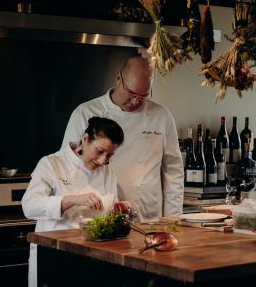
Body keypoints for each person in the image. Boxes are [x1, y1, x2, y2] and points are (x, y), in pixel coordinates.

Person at [61, 56, 184, 222]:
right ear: (118, 78)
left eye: (143, 96)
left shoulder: (162, 116)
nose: (135, 101)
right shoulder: (85, 113)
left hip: (148, 216)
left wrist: (173, 217)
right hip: (99, 216)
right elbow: (67, 167)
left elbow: (173, 171)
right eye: (131, 93)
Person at [22, 116, 125, 287]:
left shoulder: (107, 171)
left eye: (110, 155)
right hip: (55, 260)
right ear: (85, 139)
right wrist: (71, 200)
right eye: (100, 151)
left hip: (95, 262)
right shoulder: (51, 164)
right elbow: (29, 206)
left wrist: (118, 209)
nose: (103, 161)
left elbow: (109, 210)